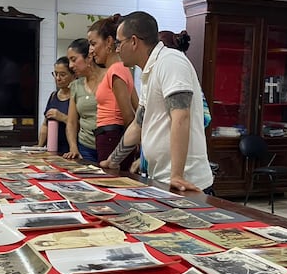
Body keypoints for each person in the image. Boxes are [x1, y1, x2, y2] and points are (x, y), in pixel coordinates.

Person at [101, 11, 214, 194]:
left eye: (119, 43)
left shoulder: (170, 62)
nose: (117, 49)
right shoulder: (150, 70)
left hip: (185, 182)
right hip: (162, 178)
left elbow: (181, 116)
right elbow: (139, 124)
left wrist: (176, 175)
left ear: (134, 41)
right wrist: (113, 160)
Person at [88, 14, 139, 169]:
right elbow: (138, 106)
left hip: (112, 137)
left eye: (93, 43)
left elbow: (129, 115)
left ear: (109, 42)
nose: (90, 50)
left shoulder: (116, 69)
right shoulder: (120, 69)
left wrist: (130, 145)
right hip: (111, 136)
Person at [64, 38, 101, 162]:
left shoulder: (108, 79)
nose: (70, 66)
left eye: (74, 60)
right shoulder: (76, 86)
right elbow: (71, 122)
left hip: (109, 145)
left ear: (89, 57)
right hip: (85, 147)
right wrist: (73, 148)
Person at [37, 56, 74, 153]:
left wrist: (63, 118)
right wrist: (39, 146)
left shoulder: (76, 97)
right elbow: (45, 124)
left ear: (73, 75)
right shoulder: (53, 96)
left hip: (70, 150)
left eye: (62, 75)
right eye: (55, 74)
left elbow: (82, 127)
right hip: (53, 149)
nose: (58, 78)